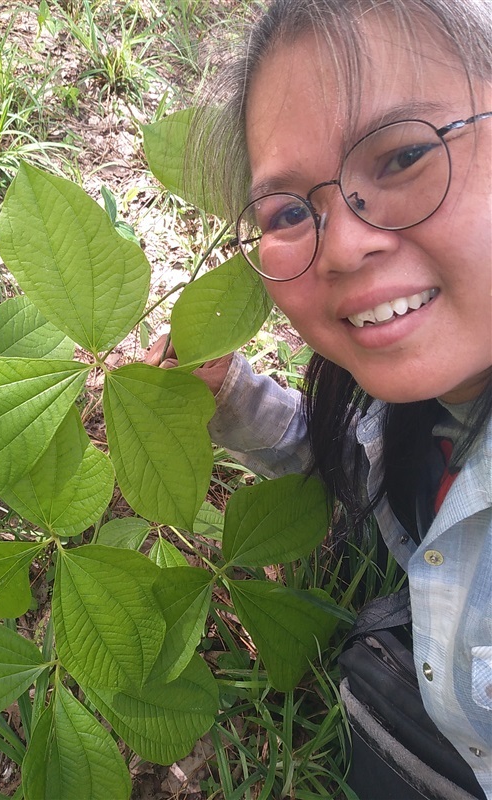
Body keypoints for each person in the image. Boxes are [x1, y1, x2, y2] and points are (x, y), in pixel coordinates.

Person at [147, 1, 491, 798]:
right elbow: (348, 459)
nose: (341, 246)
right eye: (291, 212)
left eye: (404, 155)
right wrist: (229, 397)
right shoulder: (417, 396)